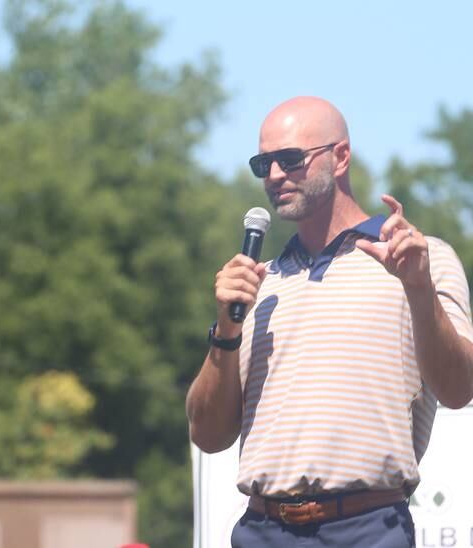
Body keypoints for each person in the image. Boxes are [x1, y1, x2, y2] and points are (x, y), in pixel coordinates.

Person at [186, 96, 473, 547]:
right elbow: (207, 435)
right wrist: (225, 330)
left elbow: (459, 389)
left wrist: (418, 288)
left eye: (290, 159)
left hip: (367, 528)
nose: (275, 175)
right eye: (264, 164)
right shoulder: (261, 283)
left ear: (340, 157)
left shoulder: (422, 259)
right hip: (261, 530)